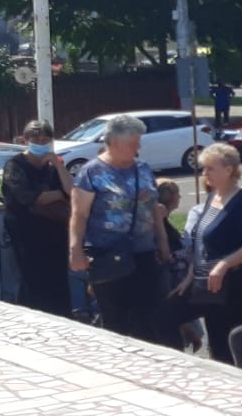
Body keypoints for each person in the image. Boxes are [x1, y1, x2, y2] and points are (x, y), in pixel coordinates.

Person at [68, 115, 169, 339]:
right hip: (108, 255)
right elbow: (79, 214)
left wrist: (162, 241)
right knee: (117, 320)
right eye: (133, 143)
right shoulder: (91, 172)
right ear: (114, 142)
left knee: (147, 317)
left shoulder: (143, 168)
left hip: (143, 253)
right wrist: (75, 250)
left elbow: (153, 207)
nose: (138, 148)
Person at [174, 143, 242, 362]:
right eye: (204, 168)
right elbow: (202, 241)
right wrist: (191, 274)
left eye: (210, 168)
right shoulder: (213, 197)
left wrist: (224, 264)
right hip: (208, 288)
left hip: (233, 287)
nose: (205, 173)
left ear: (229, 170)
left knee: (232, 346)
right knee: (216, 343)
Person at [2, 120, 72, 314]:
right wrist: (58, 194)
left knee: (57, 280)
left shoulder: (52, 167)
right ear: (25, 140)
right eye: (36, 140)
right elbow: (28, 198)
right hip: (26, 232)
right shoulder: (15, 165)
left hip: (55, 230)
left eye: (45, 140)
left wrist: (58, 166)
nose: (41, 144)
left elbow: (71, 191)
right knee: (31, 279)